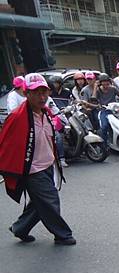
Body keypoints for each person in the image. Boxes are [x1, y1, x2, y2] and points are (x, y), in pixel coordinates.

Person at [0, 73, 76, 245]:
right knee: (50, 200)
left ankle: (20, 228)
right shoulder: (18, 117)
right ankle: (62, 234)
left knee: (38, 202)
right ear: (26, 94)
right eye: (36, 93)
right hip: (32, 169)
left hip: (48, 164)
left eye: (44, 92)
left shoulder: (46, 112)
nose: (41, 97)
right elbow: (6, 144)